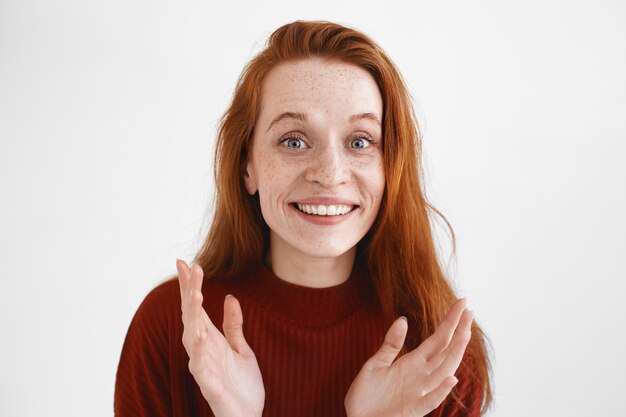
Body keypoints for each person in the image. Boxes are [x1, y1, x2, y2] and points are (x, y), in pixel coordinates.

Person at [115, 20, 492, 417]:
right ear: (248, 167)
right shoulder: (170, 327)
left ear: (389, 167)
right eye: (294, 141)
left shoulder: (438, 352)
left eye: (360, 141)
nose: (330, 174)